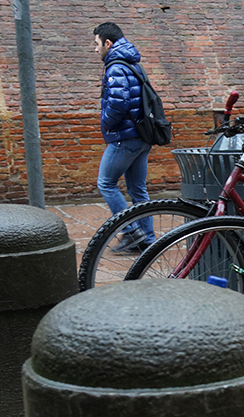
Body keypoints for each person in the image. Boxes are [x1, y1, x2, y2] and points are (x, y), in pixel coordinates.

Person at [94, 22, 153, 252]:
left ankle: (131, 231)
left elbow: (118, 104)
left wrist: (105, 123)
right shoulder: (132, 62)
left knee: (106, 183)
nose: (95, 49)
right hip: (142, 135)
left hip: (125, 137)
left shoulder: (116, 67)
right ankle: (147, 240)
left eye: (97, 44)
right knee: (137, 188)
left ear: (108, 43)